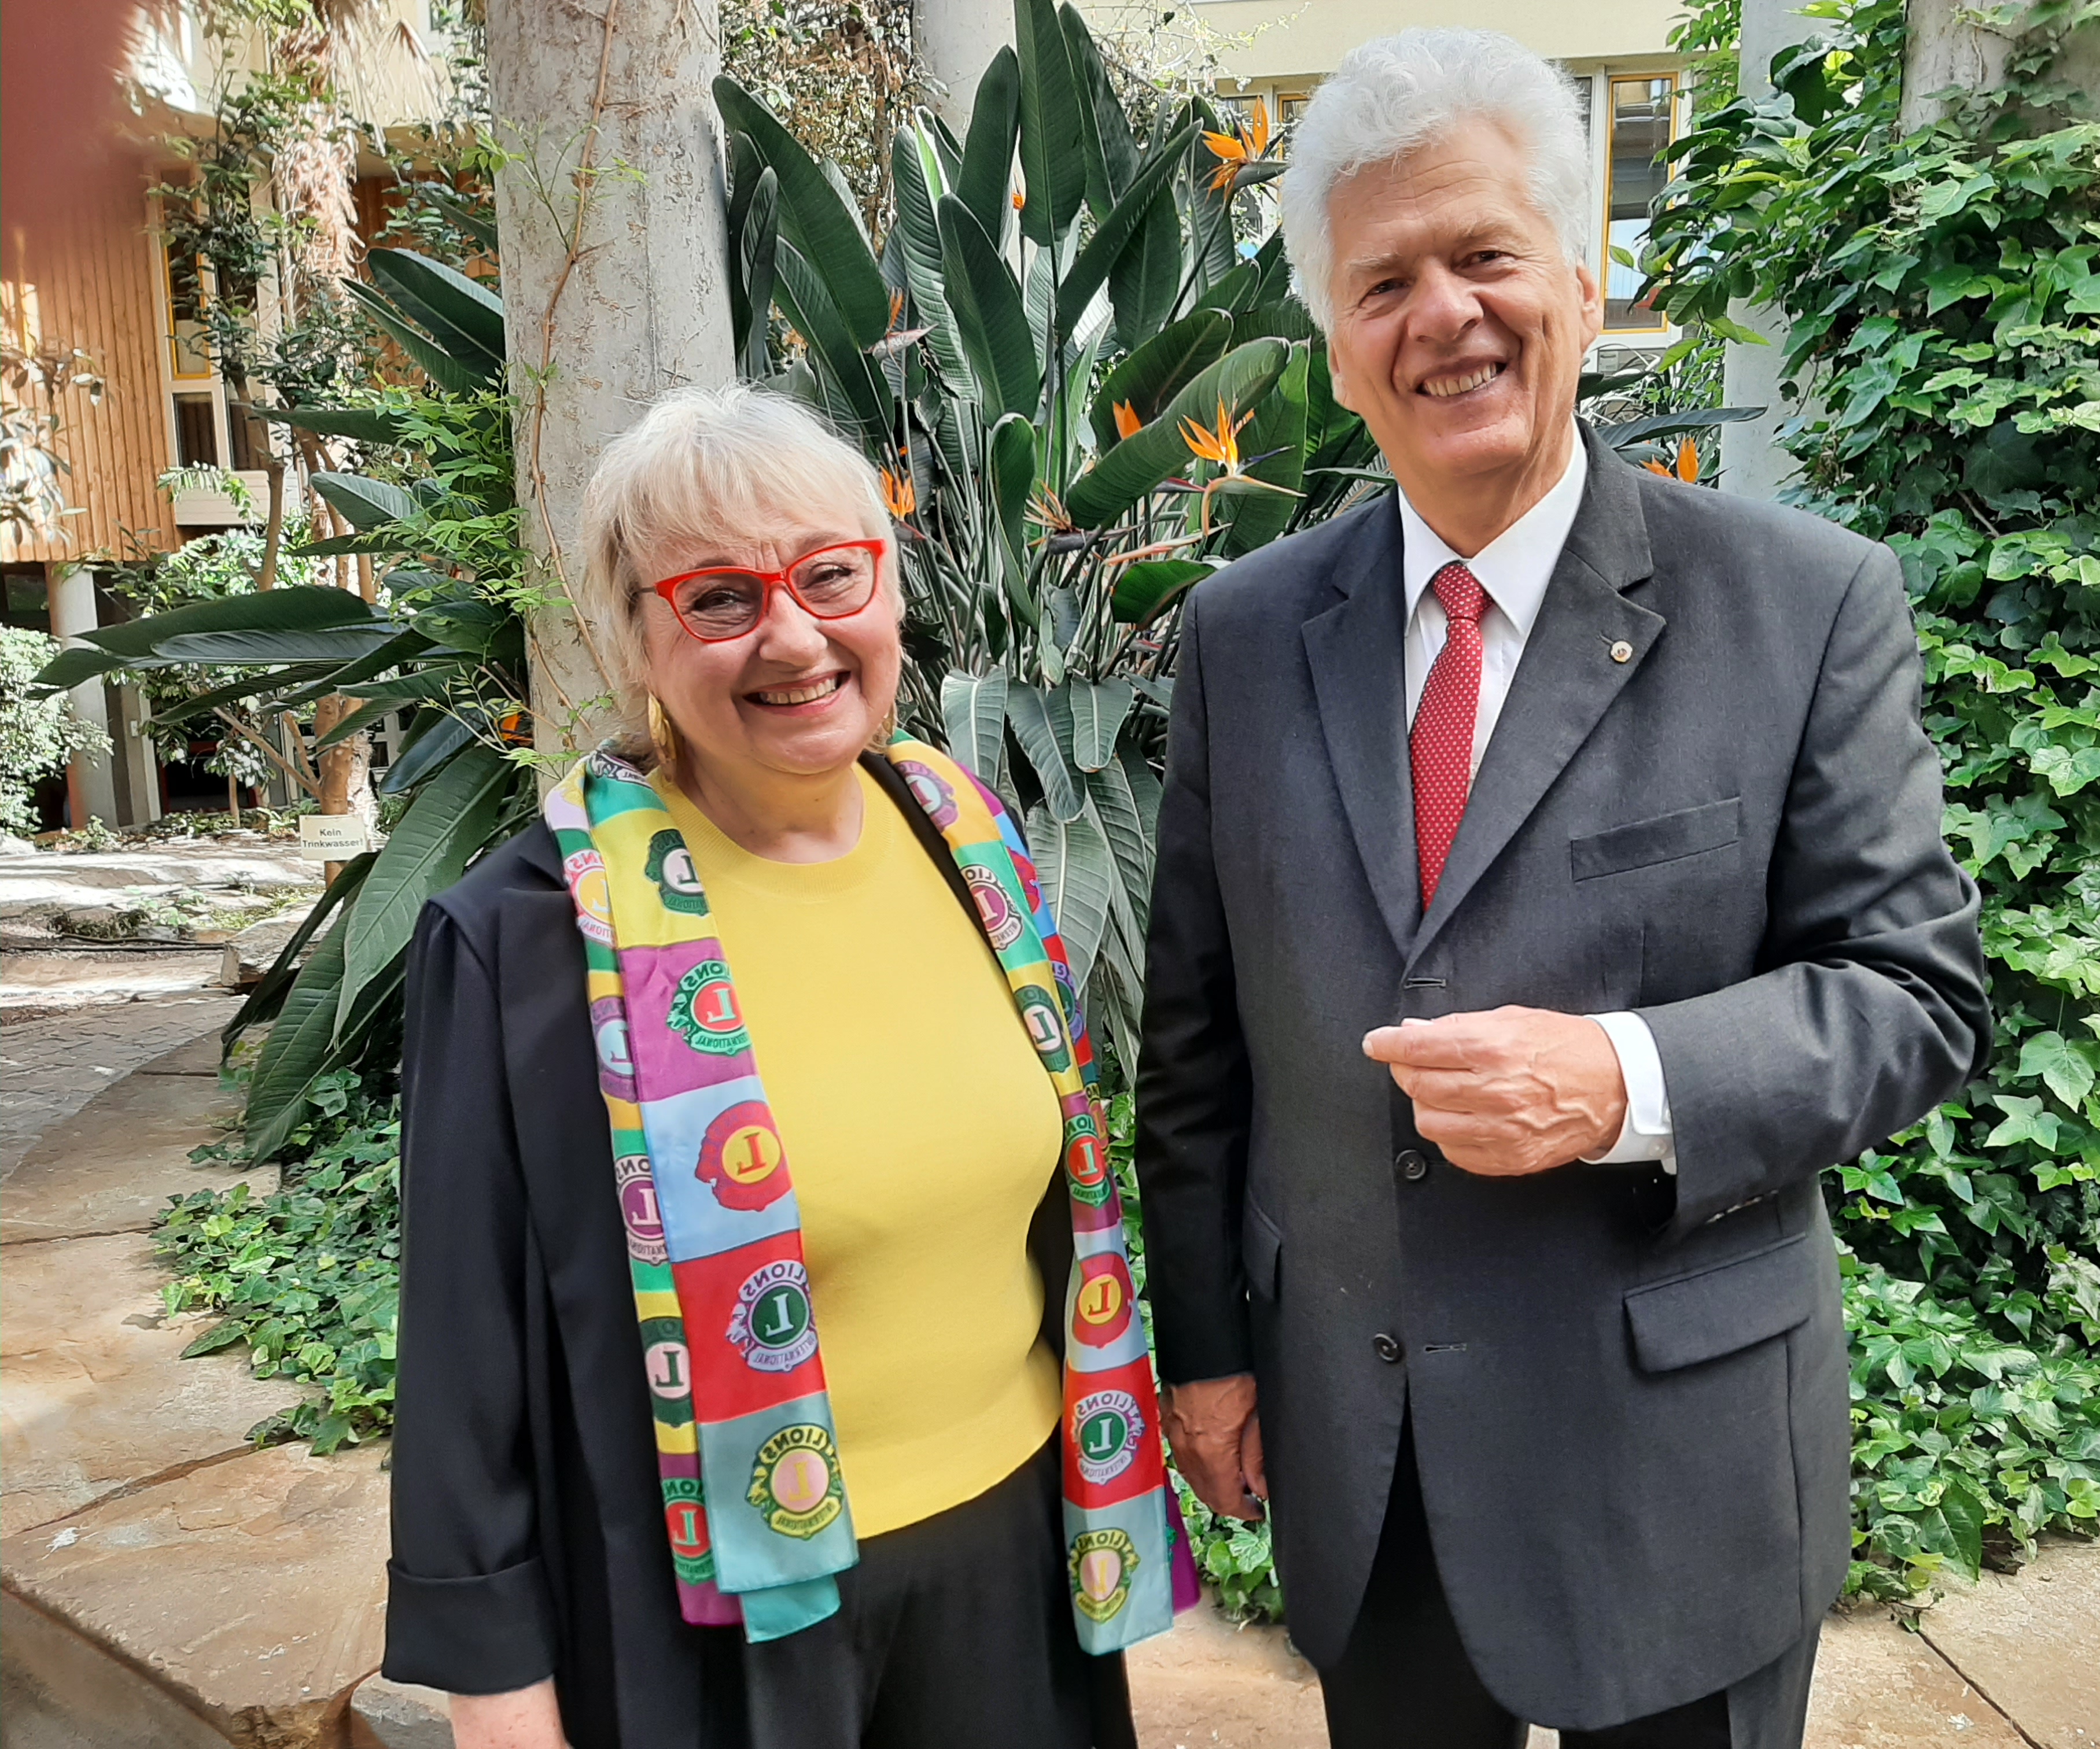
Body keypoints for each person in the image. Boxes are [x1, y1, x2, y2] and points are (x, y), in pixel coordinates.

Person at [1135, 29, 1990, 1749]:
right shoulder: (1244, 632)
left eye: (1486, 256)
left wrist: (1627, 1080)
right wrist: (1210, 1354)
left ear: (1585, 289)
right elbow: (1198, 1036)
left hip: (1673, 1468)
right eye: (1384, 282)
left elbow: (1916, 993)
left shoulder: (1804, 605)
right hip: (1364, 1457)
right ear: (1339, 350)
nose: (1442, 314)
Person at [381, 384, 1178, 1749]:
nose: (794, 637)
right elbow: (466, 1367)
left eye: (828, 575)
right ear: (636, 633)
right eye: (720, 598)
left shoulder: (962, 837)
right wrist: (499, 1709)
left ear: (888, 586)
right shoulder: (528, 943)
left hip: (1014, 1567)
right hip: (727, 1613)